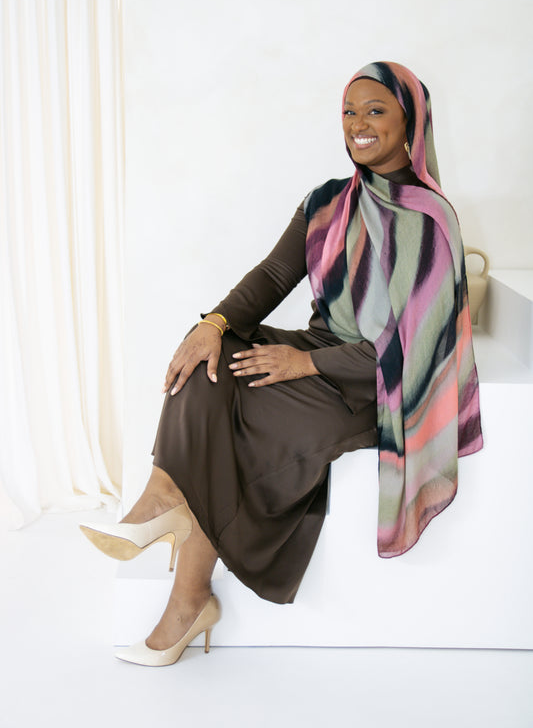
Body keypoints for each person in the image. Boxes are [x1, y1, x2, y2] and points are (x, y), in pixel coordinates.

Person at [80, 61, 483, 666]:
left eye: (376, 111)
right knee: (212, 358)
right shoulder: (328, 201)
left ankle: (188, 594)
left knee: (230, 419)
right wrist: (213, 324)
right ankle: (164, 495)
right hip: (319, 348)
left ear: (412, 123)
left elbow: (416, 349)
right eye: (349, 111)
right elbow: (274, 274)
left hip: (374, 382)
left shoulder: (431, 219)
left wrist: (305, 366)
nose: (358, 124)